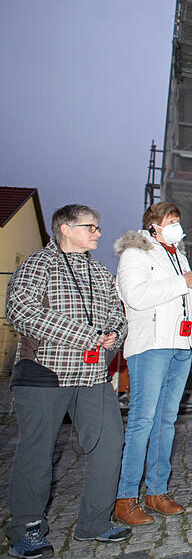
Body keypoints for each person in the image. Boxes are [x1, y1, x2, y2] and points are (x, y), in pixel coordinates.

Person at [4, 204, 131, 557]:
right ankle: (25, 529)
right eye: (91, 227)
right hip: (44, 373)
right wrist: (86, 335)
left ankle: (94, 523)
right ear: (64, 228)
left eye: (98, 228)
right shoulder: (37, 264)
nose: (98, 234)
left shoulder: (99, 271)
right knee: (37, 453)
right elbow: (23, 312)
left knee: (108, 445)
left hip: (91, 376)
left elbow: (117, 316)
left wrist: (112, 335)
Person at [111, 202, 192, 526]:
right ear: (153, 225)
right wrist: (183, 283)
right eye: (170, 220)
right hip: (151, 345)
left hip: (180, 344)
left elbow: (182, 294)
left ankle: (156, 491)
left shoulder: (177, 254)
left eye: (178, 220)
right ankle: (125, 498)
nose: (176, 225)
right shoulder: (135, 253)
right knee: (142, 421)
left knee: (166, 421)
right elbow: (135, 296)